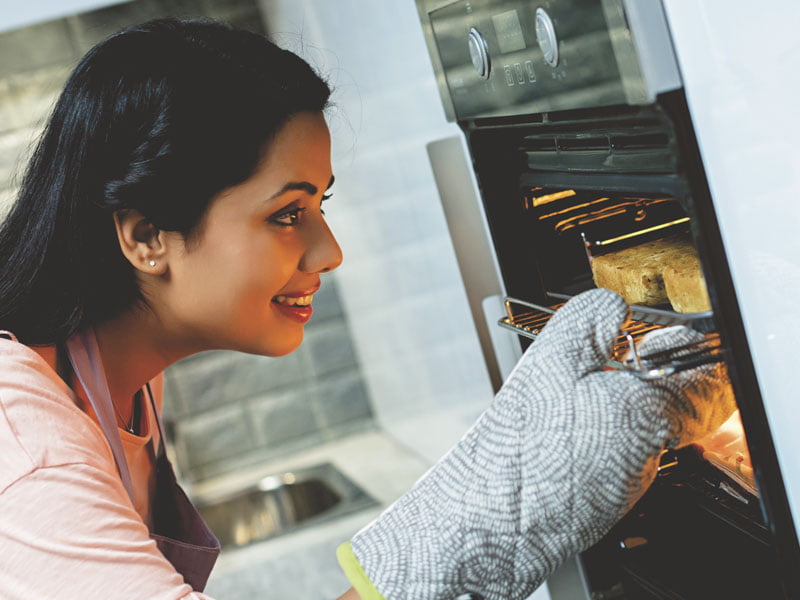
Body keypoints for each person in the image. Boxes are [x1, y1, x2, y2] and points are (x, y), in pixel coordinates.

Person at [0, 17, 734, 600]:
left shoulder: (116, 377)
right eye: (288, 215)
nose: (329, 252)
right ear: (145, 236)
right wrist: (486, 511)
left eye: (322, 204)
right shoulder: (24, 449)